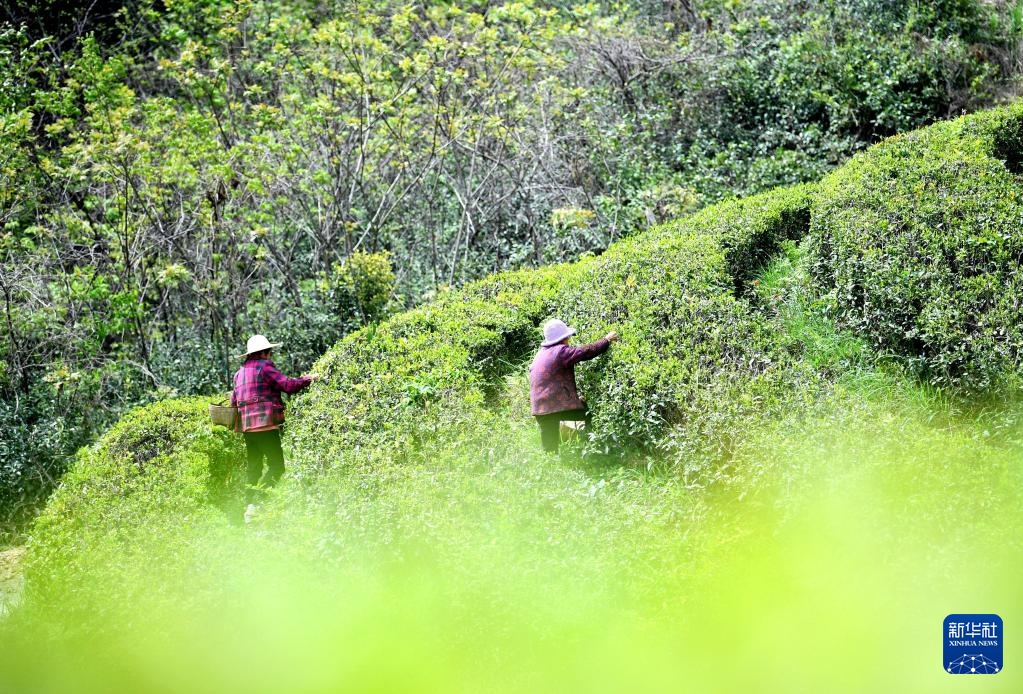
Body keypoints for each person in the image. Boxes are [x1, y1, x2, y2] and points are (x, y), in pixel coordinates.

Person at [231, 334, 318, 519]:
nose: (270, 355)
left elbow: (234, 401)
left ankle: (248, 507)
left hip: (247, 427)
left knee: (254, 467)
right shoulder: (265, 367)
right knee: (277, 466)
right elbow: (287, 386)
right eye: (269, 352)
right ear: (264, 352)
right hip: (265, 424)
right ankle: (259, 503)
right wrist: (308, 379)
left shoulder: (238, 374)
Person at [528, 319, 619, 454]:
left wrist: (571, 399)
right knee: (587, 414)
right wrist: (606, 340)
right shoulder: (560, 351)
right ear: (564, 338)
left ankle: (549, 471)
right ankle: (589, 448)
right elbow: (585, 352)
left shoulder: (540, 354)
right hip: (554, 406)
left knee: (549, 450)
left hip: (540, 408)